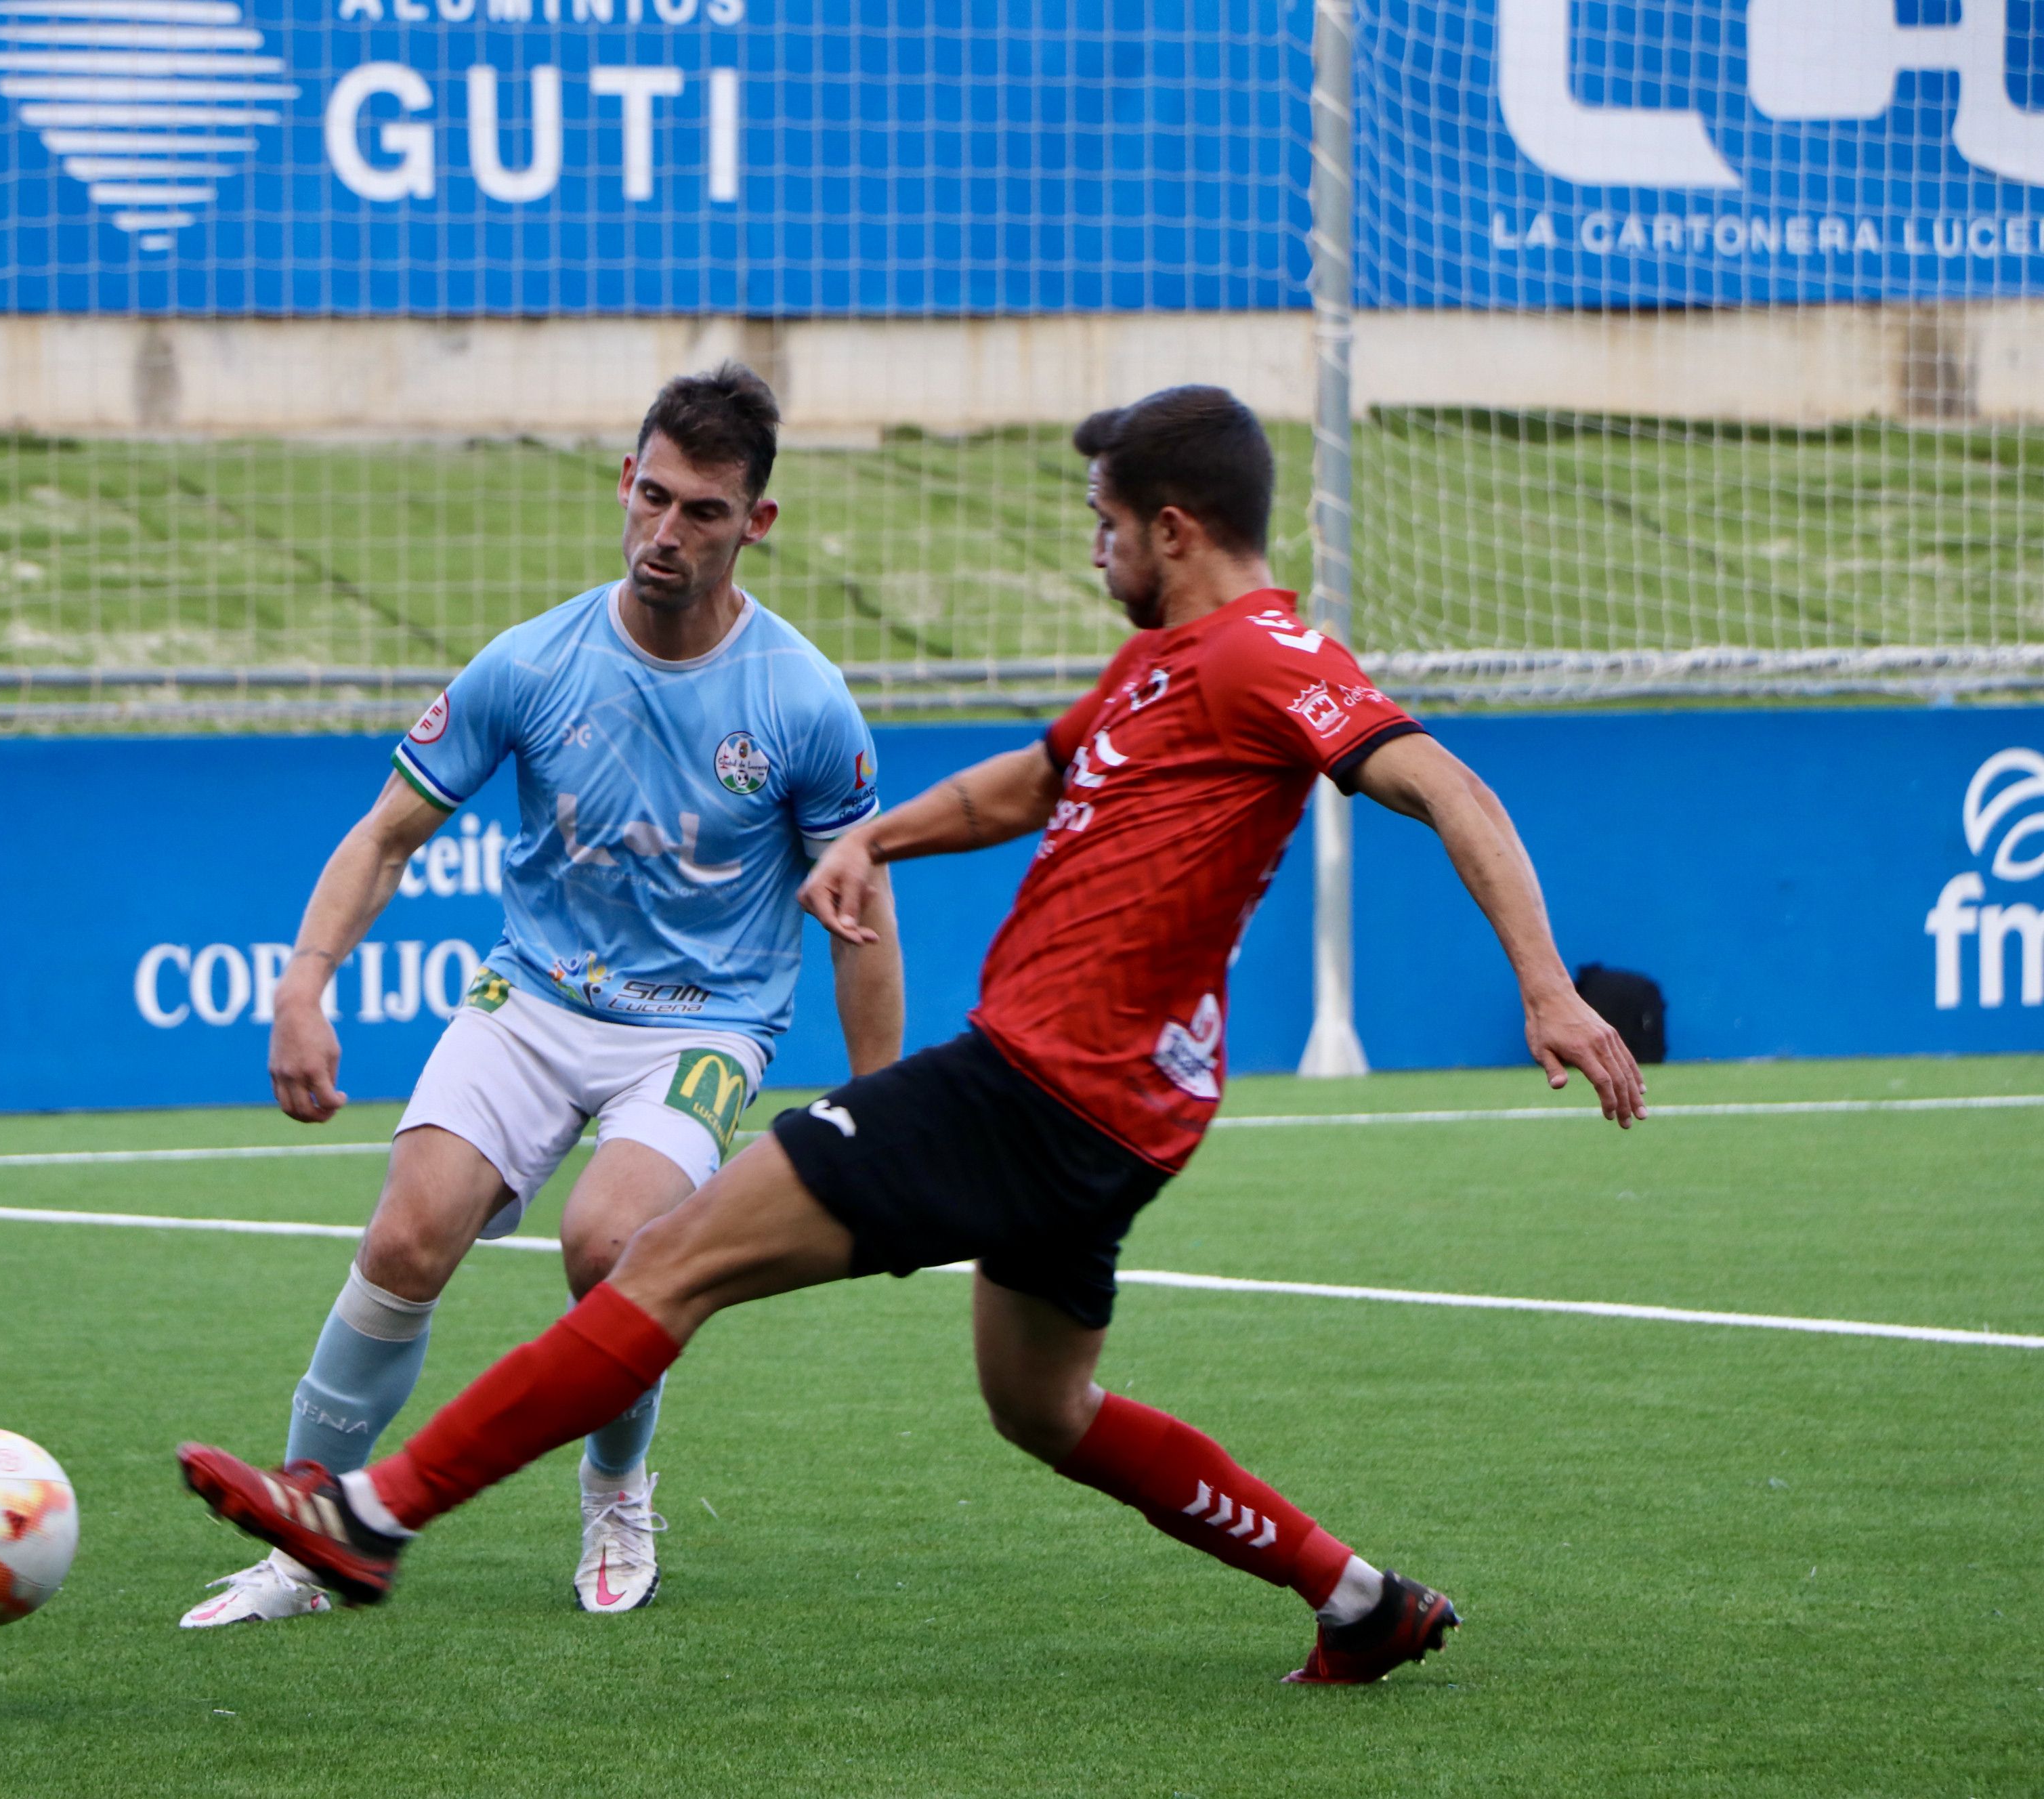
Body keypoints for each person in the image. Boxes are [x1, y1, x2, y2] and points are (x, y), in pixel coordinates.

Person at [177, 384, 1646, 1682]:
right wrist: (875, 838)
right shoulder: (1158, 672)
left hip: (1033, 1084)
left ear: (1178, 528)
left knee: (653, 1254)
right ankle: (1355, 1594)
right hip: (1116, 1120)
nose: (1096, 548)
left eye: (1107, 524)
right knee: (1046, 1406)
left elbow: (1447, 783)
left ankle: (366, 1514)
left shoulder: (1267, 658)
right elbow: (1030, 784)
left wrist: (1546, 983)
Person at [179, 364, 905, 1627]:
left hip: (703, 1023)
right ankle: (306, 1530)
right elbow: (386, 836)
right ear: (626, 481)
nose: (666, 535)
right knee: (408, 1236)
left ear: (758, 525)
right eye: (653, 497)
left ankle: (618, 1488)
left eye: (705, 514)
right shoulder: (532, 662)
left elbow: (860, 908)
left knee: (610, 1248)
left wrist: (882, 1107)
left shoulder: (802, 699)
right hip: (533, 998)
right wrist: (304, 984)